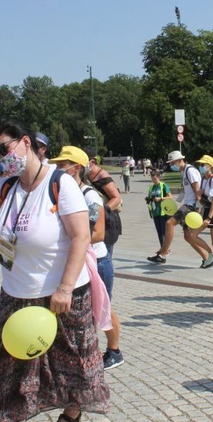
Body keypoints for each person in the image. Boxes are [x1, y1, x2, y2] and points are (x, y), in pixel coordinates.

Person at [0, 121, 109, 422]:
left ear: (26, 142)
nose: (3, 158)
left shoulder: (59, 183)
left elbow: (82, 237)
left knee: (73, 361)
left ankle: (72, 410)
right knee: (14, 366)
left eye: (6, 149)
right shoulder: (7, 187)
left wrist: (65, 289)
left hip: (63, 292)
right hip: (17, 293)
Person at [49, 146, 125, 370]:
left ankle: (114, 351)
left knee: (102, 307)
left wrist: (71, 240)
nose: (58, 169)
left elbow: (98, 233)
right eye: (57, 165)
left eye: (63, 165)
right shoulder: (61, 192)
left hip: (97, 262)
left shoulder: (89, 195)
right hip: (76, 259)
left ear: (77, 168)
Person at [147, 151, 207, 265]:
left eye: (173, 163)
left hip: (191, 206)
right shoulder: (184, 172)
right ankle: (207, 258)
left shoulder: (190, 171)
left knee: (169, 223)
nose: (172, 165)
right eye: (170, 163)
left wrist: (198, 208)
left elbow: (197, 191)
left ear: (180, 160)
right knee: (188, 236)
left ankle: (163, 253)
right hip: (188, 204)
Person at [192, 154, 213, 271]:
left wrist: (209, 218)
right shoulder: (203, 179)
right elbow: (203, 198)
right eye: (200, 165)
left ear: (210, 166)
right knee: (193, 234)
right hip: (205, 210)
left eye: (203, 164)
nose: (200, 166)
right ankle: (211, 251)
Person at [146, 169, 172, 249]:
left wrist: (160, 199)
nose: (154, 181)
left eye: (155, 179)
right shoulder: (151, 187)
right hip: (155, 212)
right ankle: (163, 248)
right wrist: (148, 199)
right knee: (159, 231)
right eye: (152, 179)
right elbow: (150, 198)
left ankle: (165, 249)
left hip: (163, 212)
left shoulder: (163, 185)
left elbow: (170, 197)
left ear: (159, 178)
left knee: (164, 231)